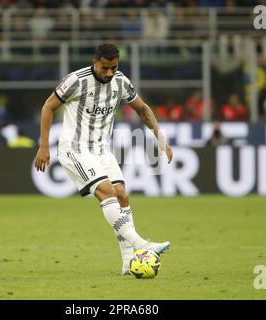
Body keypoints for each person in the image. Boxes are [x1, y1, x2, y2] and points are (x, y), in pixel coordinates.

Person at [34, 43, 173, 275]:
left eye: (114, 67)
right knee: (107, 192)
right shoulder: (76, 80)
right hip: (74, 149)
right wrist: (43, 145)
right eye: (105, 68)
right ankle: (142, 245)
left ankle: (128, 263)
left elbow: (143, 109)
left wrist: (161, 138)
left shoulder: (120, 82)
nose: (109, 73)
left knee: (121, 196)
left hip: (101, 150)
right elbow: (48, 107)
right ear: (95, 61)